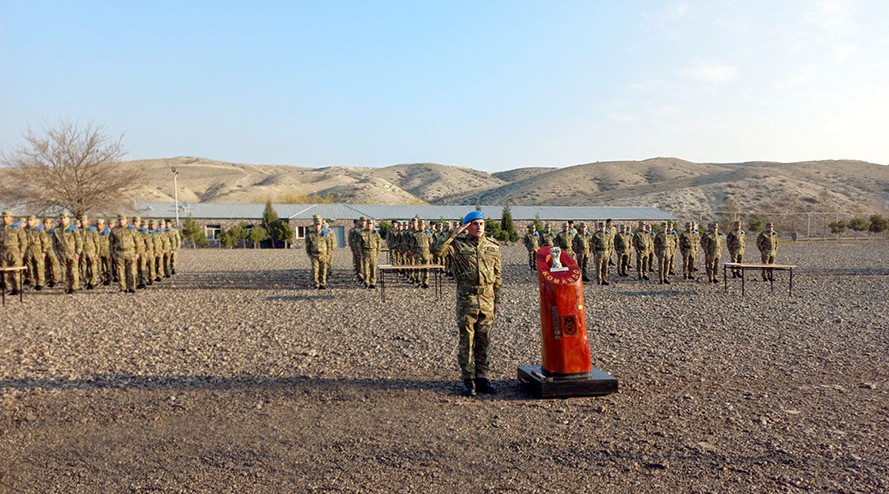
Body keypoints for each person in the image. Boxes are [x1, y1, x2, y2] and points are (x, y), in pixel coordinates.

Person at [432, 210, 502, 397]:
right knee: (467, 340)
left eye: (481, 223)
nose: (478, 227)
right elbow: (436, 250)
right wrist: (455, 231)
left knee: (484, 340)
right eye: (474, 224)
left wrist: (497, 300)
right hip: (467, 298)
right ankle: (468, 379)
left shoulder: (493, 246)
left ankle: (482, 377)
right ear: (467, 226)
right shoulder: (457, 245)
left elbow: (497, 276)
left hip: (487, 299)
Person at [52, 212, 82, 294]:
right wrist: (57, 254)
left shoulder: (73, 229)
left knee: (73, 271)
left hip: (72, 254)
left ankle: (74, 287)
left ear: (68, 219)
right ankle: (66, 287)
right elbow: (54, 243)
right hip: (62, 254)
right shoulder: (56, 230)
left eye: (65, 218)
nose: (63, 220)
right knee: (64, 272)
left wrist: (78, 252)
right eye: (61, 218)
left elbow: (78, 241)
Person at [1, 210, 28, 295]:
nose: (5, 219)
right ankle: (9, 288)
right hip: (3, 251)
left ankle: (18, 288)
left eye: (7, 217)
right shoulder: (1, 228)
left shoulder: (16, 228)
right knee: (5, 271)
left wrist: (22, 251)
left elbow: (23, 240)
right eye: (3, 217)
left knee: (16, 269)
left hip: (14, 250)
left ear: (11, 218)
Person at [110, 214, 138, 293]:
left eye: (123, 219)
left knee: (131, 271)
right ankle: (122, 288)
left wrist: (137, 253)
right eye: (119, 220)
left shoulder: (132, 229)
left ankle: (131, 287)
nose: (121, 221)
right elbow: (111, 243)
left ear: (126, 220)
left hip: (130, 252)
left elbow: (138, 242)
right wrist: (112, 253)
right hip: (119, 253)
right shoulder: (114, 230)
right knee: (120, 271)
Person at [305, 215, 331, 289]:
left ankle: (323, 283)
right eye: (316, 225)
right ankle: (316, 283)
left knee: (323, 269)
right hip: (314, 255)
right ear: (314, 225)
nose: (317, 226)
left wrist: (328, 254)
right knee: (315, 270)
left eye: (319, 224)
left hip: (323, 254)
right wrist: (309, 254)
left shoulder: (325, 233)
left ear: (321, 225)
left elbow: (329, 244)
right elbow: (307, 246)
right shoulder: (310, 234)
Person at [359, 218, 382, 288]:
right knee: (365, 269)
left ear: (373, 225)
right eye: (368, 224)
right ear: (366, 224)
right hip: (365, 252)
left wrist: (377, 253)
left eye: (371, 224)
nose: (369, 225)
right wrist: (360, 253)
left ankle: (373, 282)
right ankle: (366, 282)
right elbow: (359, 244)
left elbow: (379, 243)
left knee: (373, 269)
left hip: (373, 252)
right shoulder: (362, 233)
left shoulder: (375, 233)